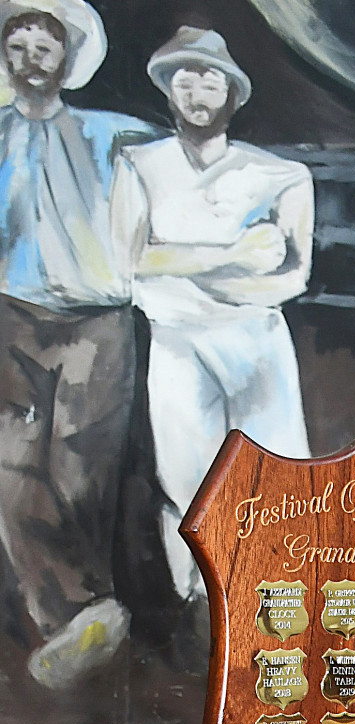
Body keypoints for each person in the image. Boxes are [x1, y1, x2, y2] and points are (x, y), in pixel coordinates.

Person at [110, 27, 313, 606]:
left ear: (233, 93)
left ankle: (274, 595)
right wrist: (235, 253)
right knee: (185, 475)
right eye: (184, 78)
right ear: (167, 91)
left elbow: (291, 275)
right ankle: (198, 601)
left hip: (256, 337)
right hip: (176, 339)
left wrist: (179, 261)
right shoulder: (139, 166)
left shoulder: (279, 175)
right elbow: (131, 263)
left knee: (274, 469)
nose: (197, 91)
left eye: (210, 78)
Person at [0, 1, 154, 688]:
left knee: (79, 465)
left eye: (45, 44)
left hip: (95, 319)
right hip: (10, 314)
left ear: (67, 58)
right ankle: (73, 612)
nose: (32, 56)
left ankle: (86, 609)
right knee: (10, 468)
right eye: (19, 43)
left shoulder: (117, 135)